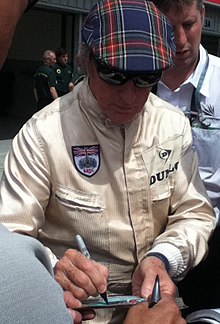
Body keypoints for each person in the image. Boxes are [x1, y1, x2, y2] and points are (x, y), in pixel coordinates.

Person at [0, 0, 215, 323]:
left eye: (146, 79)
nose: (130, 96)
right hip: (77, 311)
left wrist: (162, 258)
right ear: (86, 61)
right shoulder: (43, 134)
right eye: (115, 76)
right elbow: (10, 238)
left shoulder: (171, 125)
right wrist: (55, 266)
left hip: (155, 307)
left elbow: (195, 212)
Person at [151, 0, 220, 223]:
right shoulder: (131, 83)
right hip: (145, 229)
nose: (180, 41)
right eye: (169, 28)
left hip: (211, 226)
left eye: (188, 25)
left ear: (202, 15)